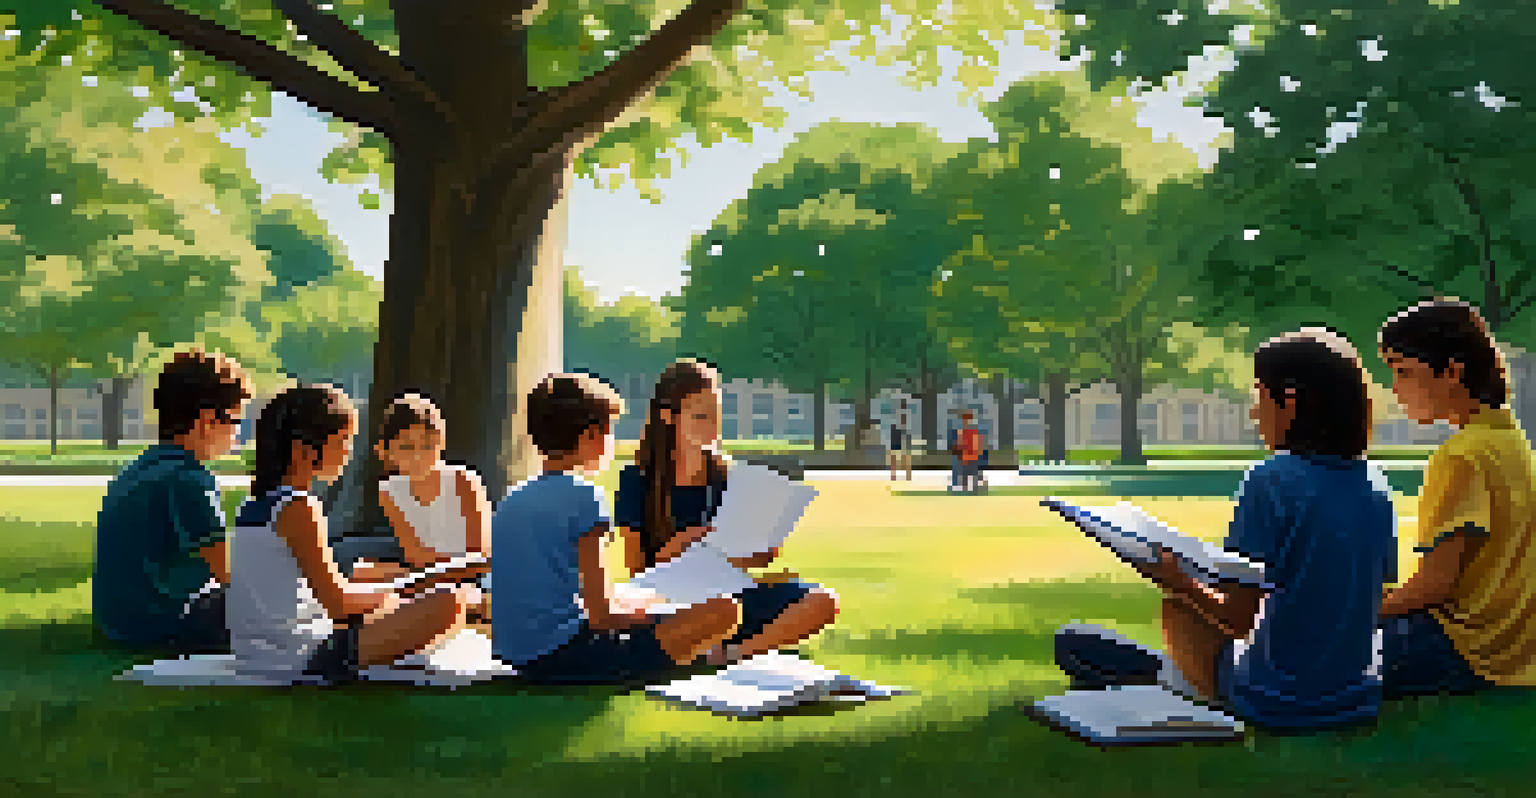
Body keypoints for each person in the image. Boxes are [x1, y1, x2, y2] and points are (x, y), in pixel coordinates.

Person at [1055, 328, 1398, 731]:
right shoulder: (1376, 485)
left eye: (1258, 395)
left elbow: (1238, 617)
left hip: (1279, 701)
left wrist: (1176, 580)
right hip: (1355, 698)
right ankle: (1179, 679)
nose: (1254, 412)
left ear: (1289, 402)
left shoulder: (1272, 480)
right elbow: (1376, 596)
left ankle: (1182, 686)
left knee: (1101, 633)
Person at [492, 372, 741, 684]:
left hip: (518, 654)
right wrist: (663, 615)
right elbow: (602, 615)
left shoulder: (513, 497)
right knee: (723, 612)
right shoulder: (584, 495)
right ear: (591, 437)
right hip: (567, 655)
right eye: (610, 433)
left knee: (644, 597)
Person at [228, 384, 480, 683]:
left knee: (414, 602)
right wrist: (398, 594)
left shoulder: (252, 504)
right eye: (342, 442)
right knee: (448, 601)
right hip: (299, 654)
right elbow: (338, 602)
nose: (348, 452)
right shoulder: (297, 507)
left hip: (259, 651)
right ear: (302, 450)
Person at [615, 359, 840, 667]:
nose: (712, 426)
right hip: (670, 603)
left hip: (730, 597)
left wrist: (760, 553)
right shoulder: (636, 479)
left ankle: (730, 654)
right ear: (669, 417)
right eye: (700, 416)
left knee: (823, 601)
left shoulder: (729, 476)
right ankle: (714, 644)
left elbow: (747, 562)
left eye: (716, 415)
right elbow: (636, 574)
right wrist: (678, 546)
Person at [1376, 299, 1536, 695]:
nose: (1395, 388)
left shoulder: (1462, 456)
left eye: (1404, 372)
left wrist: (1358, 612)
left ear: (1451, 372)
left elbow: (1434, 588)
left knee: (1310, 639)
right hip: (1515, 649)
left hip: (1466, 650)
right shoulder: (1510, 440)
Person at [94, 349, 253, 653]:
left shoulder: (139, 469)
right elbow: (232, 571)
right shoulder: (189, 478)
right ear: (208, 420)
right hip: (168, 622)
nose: (237, 434)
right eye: (235, 421)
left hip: (121, 622)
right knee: (287, 597)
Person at [956, 411, 983, 493]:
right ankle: (965, 489)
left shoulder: (974, 432)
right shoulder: (961, 432)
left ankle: (975, 489)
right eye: (965, 420)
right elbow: (960, 445)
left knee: (974, 474)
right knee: (965, 475)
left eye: (967, 420)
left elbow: (978, 444)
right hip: (965, 456)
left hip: (972, 456)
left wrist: (978, 453)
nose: (966, 422)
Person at [889, 403, 912, 482]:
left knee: (905, 458)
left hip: (900, 436)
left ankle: (905, 476)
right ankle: (894, 476)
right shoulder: (896, 419)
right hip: (896, 436)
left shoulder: (906, 419)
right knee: (896, 457)